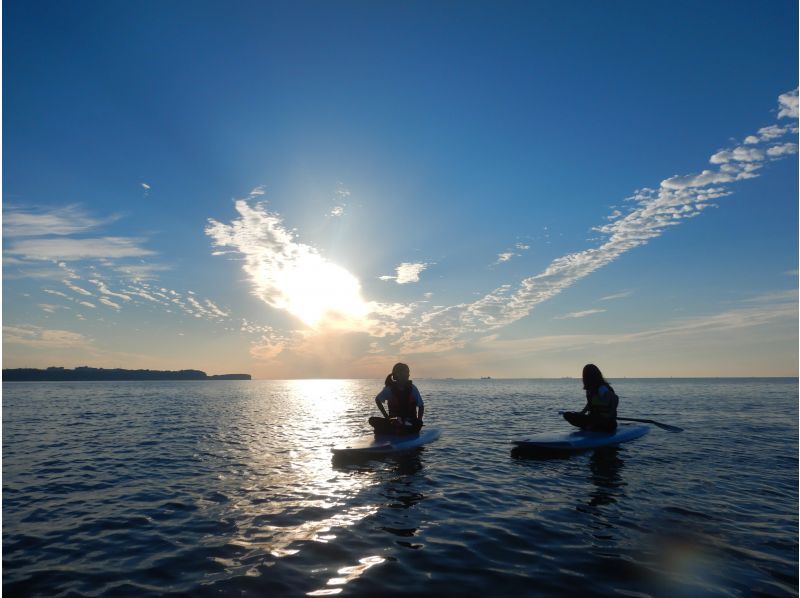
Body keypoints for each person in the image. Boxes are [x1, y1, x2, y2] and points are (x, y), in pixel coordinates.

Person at [369, 363, 424, 436]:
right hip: (394, 421)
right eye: (406, 372)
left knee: (418, 424)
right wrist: (386, 417)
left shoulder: (413, 388)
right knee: (372, 420)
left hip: (410, 422)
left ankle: (396, 430)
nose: (408, 375)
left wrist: (419, 420)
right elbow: (378, 400)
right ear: (398, 374)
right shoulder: (389, 389)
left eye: (408, 372)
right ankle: (395, 429)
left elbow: (421, 406)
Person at [563, 364, 618, 432]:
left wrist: (610, 414)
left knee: (594, 421)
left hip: (607, 422)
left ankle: (592, 426)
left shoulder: (601, 388)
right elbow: (590, 404)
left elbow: (615, 398)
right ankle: (591, 426)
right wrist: (582, 413)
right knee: (567, 415)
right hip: (594, 419)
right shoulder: (590, 389)